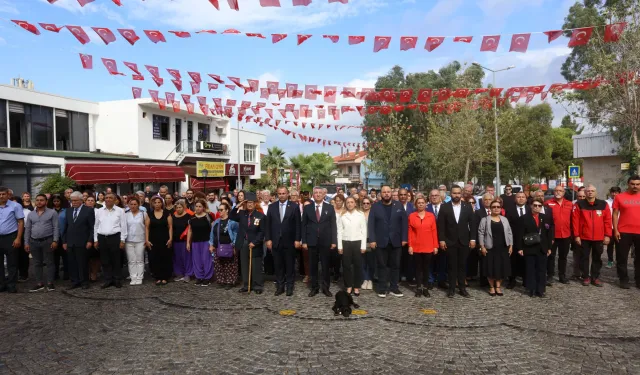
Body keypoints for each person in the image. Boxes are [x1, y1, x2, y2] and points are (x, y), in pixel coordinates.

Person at [368, 185, 408, 298]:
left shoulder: (399, 205)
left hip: (396, 241)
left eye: (388, 192)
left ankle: (394, 287)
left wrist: (404, 238)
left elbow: (404, 223)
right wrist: (372, 239)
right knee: (382, 265)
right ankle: (382, 288)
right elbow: (371, 224)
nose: (386, 194)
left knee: (395, 265)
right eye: (384, 192)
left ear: (391, 193)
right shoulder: (375, 206)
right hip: (381, 241)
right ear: (381, 194)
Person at [437, 185, 476, 298]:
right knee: (451, 266)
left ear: (461, 193)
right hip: (450, 241)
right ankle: (452, 288)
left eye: (458, 193)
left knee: (462, 265)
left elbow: (472, 224)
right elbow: (441, 225)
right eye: (454, 193)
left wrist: (473, 239)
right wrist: (442, 240)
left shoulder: (467, 207)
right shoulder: (445, 207)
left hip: (464, 241)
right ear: (451, 194)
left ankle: (462, 288)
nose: (456, 195)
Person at [572, 184, 611, 287]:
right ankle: (586, 277)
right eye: (588, 191)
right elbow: (575, 221)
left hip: (599, 237)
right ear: (585, 193)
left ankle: (595, 277)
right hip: (584, 237)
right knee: (584, 258)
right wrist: (576, 235)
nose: (590, 192)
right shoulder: (579, 204)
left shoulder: (603, 204)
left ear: (596, 192)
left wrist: (607, 235)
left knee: (597, 257)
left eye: (592, 191)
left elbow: (607, 221)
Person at [265, 186, 301, 297]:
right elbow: (268, 225)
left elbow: (298, 225)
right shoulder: (272, 207)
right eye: (279, 193)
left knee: (290, 265)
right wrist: (268, 239)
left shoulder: (294, 207)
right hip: (276, 241)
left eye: (283, 193)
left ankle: (289, 287)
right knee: (278, 265)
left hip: (289, 241)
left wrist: (297, 239)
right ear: (277, 194)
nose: (281, 195)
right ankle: (280, 286)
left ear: (287, 194)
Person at [302, 186, 338, 297]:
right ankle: (314, 288)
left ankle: (326, 288)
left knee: (325, 265)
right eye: (315, 193)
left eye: (320, 193)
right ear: (313, 195)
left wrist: (333, 241)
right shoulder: (307, 208)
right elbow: (304, 225)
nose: (317, 194)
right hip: (311, 241)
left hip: (325, 241)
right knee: (313, 266)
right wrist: (304, 241)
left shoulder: (330, 208)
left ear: (323, 195)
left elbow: (333, 225)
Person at [515, 198, 553, 297]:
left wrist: (549, 247)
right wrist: (520, 248)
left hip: (542, 248)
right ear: (531, 206)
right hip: (529, 247)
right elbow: (519, 234)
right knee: (530, 269)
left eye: (539, 206)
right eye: (535, 205)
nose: (537, 207)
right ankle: (531, 289)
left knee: (541, 270)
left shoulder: (546, 217)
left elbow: (549, 234)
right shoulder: (524, 218)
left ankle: (540, 290)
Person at [25, 194, 59, 292]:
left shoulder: (52, 213)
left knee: (49, 262)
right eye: (37, 200)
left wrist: (55, 240)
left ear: (46, 202)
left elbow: (56, 227)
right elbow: (27, 229)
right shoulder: (31, 214)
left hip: (47, 240)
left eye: (41, 200)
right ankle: (39, 283)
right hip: (33, 241)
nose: (39, 202)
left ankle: (50, 283)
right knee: (36, 263)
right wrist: (26, 242)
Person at [478, 200, 513, 296]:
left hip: (503, 247)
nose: (496, 208)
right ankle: (491, 287)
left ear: (501, 208)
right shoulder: (485, 220)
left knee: (502, 267)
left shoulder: (504, 219)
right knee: (490, 268)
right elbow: (480, 233)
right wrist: (482, 247)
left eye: (498, 207)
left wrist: (511, 245)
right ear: (490, 209)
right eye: (494, 207)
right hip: (490, 247)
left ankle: (498, 286)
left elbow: (509, 232)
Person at [232, 198, 266, 294]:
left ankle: (257, 285)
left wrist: (255, 242)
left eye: (251, 202)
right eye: (248, 203)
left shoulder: (260, 216)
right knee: (244, 264)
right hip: (243, 242)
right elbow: (232, 216)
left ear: (255, 204)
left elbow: (262, 231)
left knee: (256, 265)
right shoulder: (242, 214)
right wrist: (238, 205)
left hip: (255, 243)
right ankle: (247, 284)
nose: (249, 204)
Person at [94, 192, 127, 289]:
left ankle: (117, 279)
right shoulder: (99, 211)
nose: (108, 199)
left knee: (116, 259)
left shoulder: (120, 211)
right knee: (105, 260)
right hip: (102, 237)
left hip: (115, 237)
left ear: (115, 200)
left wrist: (122, 240)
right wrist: (96, 239)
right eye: (106, 197)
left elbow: (123, 226)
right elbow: (96, 226)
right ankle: (108, 279)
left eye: (110, 198)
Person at [63, 191, 95, 290]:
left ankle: (84, 281)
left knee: (82, 263)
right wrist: (64, 241)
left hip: (83, 241)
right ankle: (74, 281)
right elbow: (66, 227)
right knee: (72, 263)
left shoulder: (88, 210)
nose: (74, 202)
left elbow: (92, 227)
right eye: (72, 201)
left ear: (81, 200)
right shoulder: (68, 211)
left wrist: (90, 240)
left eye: (76, 200)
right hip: (70, 241)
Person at [613, 175, 640, 289]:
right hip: (623, 231)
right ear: (628, 184)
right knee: (622, 258)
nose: (635, 186)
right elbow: (615, 214)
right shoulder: (619, 197)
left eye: (637, 184)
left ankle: (638, 281)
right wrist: (615, 230)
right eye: (633, 184)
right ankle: (623, 280)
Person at [408, 196, 438, 298]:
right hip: (416, 246)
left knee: (426, 268)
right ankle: (418, 287)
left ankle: (425, 288)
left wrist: (435, 246)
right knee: (418, 268)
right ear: (416, 205)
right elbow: (410, 232)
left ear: (426, 204)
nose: (420, 204)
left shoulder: (431, 216)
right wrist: (410, 245)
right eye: (419, 203)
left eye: (422, 202)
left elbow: (434, 231)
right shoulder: (412, 216)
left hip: (428, 246)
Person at [542, 185, 572, 285]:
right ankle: (550, 275)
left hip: (566, 234)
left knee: (563, 257)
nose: (558, 192)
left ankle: (562, 275)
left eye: (560, 191)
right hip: (552, 235)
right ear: (553, 192)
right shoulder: (548, 203)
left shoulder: (569, 204)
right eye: (556, 190)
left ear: (564, 193)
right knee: (551, 256)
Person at [337, 196, 367, 297]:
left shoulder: (360, 214)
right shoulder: (342, 215)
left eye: (352, 202)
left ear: (355, 204)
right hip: (346, 242)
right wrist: (340, 246)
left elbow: (364, 231)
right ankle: (348, 285)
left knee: (358, 265)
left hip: (357, 242)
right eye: (348, 202)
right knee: (346, 265)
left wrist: (363, 246)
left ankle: (357, 286)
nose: (350, 204)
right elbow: (339, 231)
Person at [0, 186, 25, 293]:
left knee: (12, 263)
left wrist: (18, 238)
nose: (1, 196)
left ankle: (11, 284)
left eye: (3, 194)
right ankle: (1, 284)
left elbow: (21, 222)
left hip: (10, 237)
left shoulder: (15, 206)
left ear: (8, 195)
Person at [210, 202, 239, 289]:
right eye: (219, 210)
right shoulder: (216, 222)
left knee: (229, 265)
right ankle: (221, 281)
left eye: (222, 210)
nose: (220, 212)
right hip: (218, 246)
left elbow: (236, 235)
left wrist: (234, 246)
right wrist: (211, 244)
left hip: (229, 246)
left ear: (227, 210)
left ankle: (230, 282)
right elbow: (212, 234)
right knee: (219, 265)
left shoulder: (233, 222)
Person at [504, 192, 529, 289]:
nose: (521, 199)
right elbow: (507, 226)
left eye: (523, 197)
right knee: (513, 260)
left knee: (526, 260)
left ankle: (526, 280)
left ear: (526, 199)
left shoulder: (530, 209)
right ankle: (512, 280)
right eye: (519, 197)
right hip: (513, 239)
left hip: (527, 240)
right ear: (515, 199)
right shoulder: (509, 210)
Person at [147, 196, 173, 286]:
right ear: (152, 204)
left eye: (159, 202)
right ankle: (157, 277)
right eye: (155, 202)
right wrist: (147, 240)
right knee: (155, 258)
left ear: (162, 203)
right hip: (153, 239)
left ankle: (165, 277)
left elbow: (170, 227)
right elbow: (147, 228)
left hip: (165, 238)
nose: (157, 204)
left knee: (165, 258)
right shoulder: (149, 214)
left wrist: (170, 238)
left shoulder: (167, 213)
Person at [187, 200, 213, 286]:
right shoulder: (192, 218)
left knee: (206, 260)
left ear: (203, 208)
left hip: (206, 241)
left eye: (200, 206)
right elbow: (190, 231)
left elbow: (212, 230)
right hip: (195, 242)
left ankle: (207, 278)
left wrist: (212, 243)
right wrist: (188, 242)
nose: (198, 208)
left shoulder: (208, 217)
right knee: (196, 260)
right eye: (196, 206)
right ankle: (199, 277)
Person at [124, 197, 149, 286]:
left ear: (138, 205)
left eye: (135, 204)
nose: (133, 206)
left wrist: (147, 239)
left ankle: (139, 277)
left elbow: (147, 227)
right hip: (129, 240)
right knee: (131, 260)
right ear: (128, 205)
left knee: (140, 260)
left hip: (140, 240)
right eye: (131, 204)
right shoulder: (126, 214)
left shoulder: (143, 214)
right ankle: (133, 277)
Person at [427, 189, 446, 289]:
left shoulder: (446, 207)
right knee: (430, 261)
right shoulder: (426, 208)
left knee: (442, 260)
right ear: (429, 197)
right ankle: (430, 280)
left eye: (436, 195)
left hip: (443, 239)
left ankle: (441, 280)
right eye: (432, 195)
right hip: (429, 239)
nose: (434, 197)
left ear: (440, 197)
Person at [48, 194, 68, 281]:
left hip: (64, 236)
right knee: (54, 258)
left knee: (66, 257)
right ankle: (55, 274)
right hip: (52, 237)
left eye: (58, 201)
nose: (56, 203)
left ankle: (67, 274)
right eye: (54, 201)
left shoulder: (66, 211)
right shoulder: (49, 211)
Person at [172, 200, 193, 283]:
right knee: (177, 258)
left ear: (184, 207)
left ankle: (188, 273)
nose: (178, 209)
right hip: (175, 240)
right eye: (177, 208)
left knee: (187, 258)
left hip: (185, 240)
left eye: (180, 207)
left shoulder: (188, 216)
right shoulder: (173, 216)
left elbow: (190, 229)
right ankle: (179, 273)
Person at [398, 188, 415, 285]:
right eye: (401, 195)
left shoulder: (412, 207)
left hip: (410, 237)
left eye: (405, 195)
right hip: (398, 236)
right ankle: (398, 276)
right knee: (398, 258)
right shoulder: (394, 205)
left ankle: (410, 277)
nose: (403, 196)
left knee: (410, 258)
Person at [360, 197, 375, 291]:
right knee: (362, 262)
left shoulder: (373, 214)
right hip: (361, 240)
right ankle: (365, 279)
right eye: (364, 203)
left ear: (370, 204)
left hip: (371, 240)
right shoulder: (359, 214)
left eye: (368, 203)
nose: (366, 205)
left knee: (371, 261)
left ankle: (370, 279)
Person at [330, 194, 346, 283]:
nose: (338, 202)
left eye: (340, 200)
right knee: (335, 255)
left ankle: (342, 272)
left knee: (342, 255)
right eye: (337, 200)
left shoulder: (345, 210)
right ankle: (335, 272)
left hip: (344, 235)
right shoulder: (332, 210)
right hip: (334, 234)